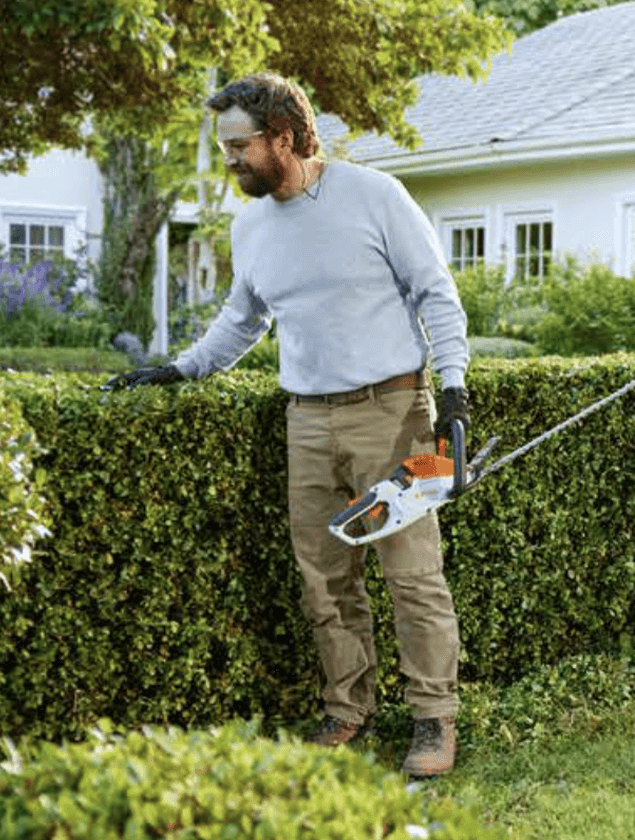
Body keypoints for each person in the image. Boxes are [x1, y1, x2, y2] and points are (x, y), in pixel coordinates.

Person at [105, 72, 469, 778]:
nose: (231, 159)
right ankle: (348, 709)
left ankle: (432, 720)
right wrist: (179, 370)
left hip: (391, 413)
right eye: (225, 148)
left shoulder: (375, 196)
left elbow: (437, 295)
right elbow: (242, 319)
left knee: (413, 576)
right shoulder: (251, 223)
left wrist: (452, 393)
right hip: (306, 421)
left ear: (285, 136)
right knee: (324, 579)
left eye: (240, 145)